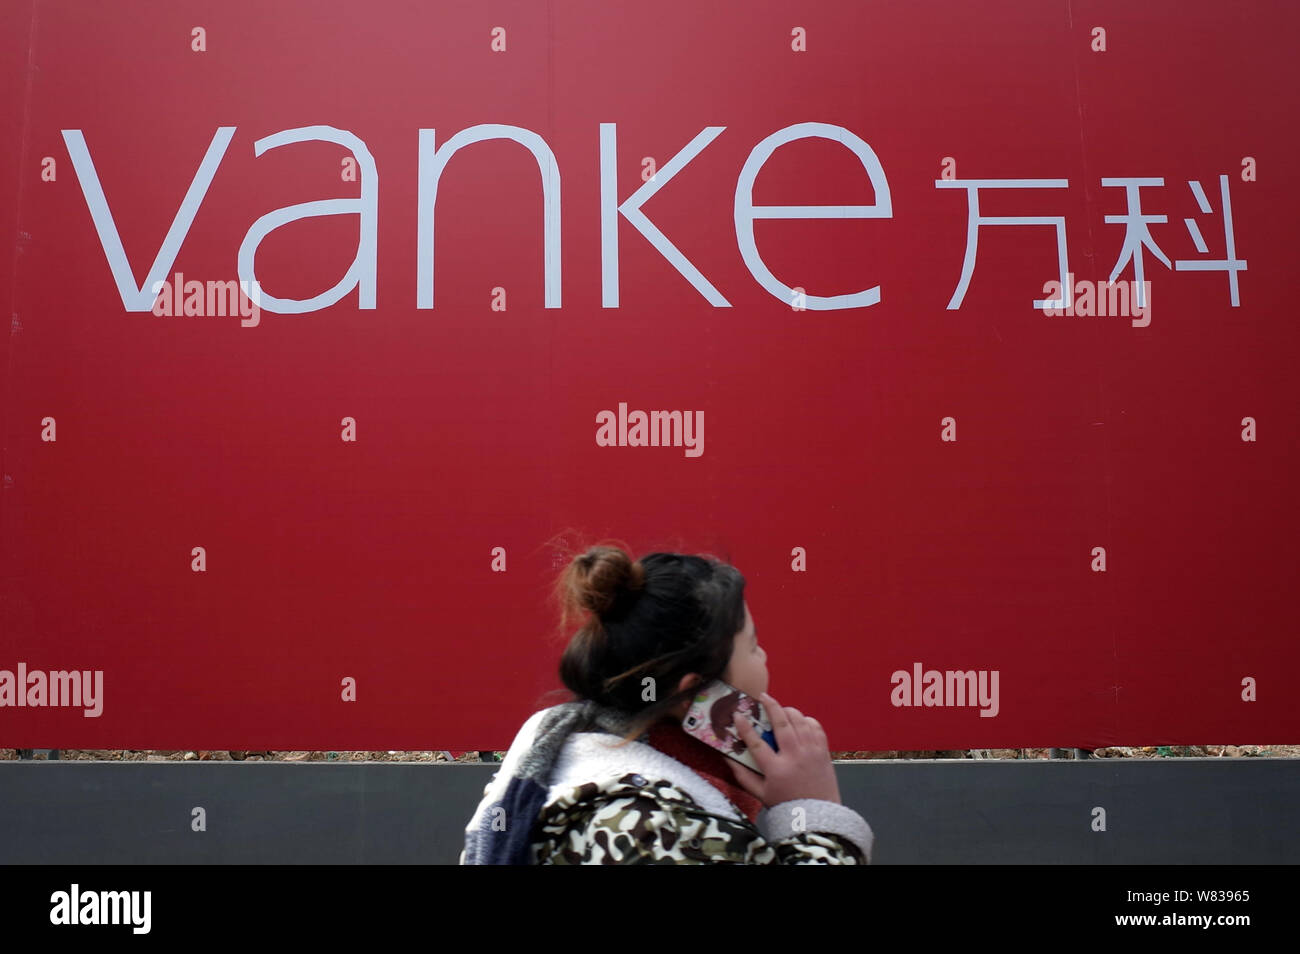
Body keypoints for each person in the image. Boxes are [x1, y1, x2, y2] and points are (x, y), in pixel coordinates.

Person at [460, 544, 873, 864]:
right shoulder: (650, 828)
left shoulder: (575, 761)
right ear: (696, 692)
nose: (765, 658)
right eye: (753, 645)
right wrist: (815, 815)